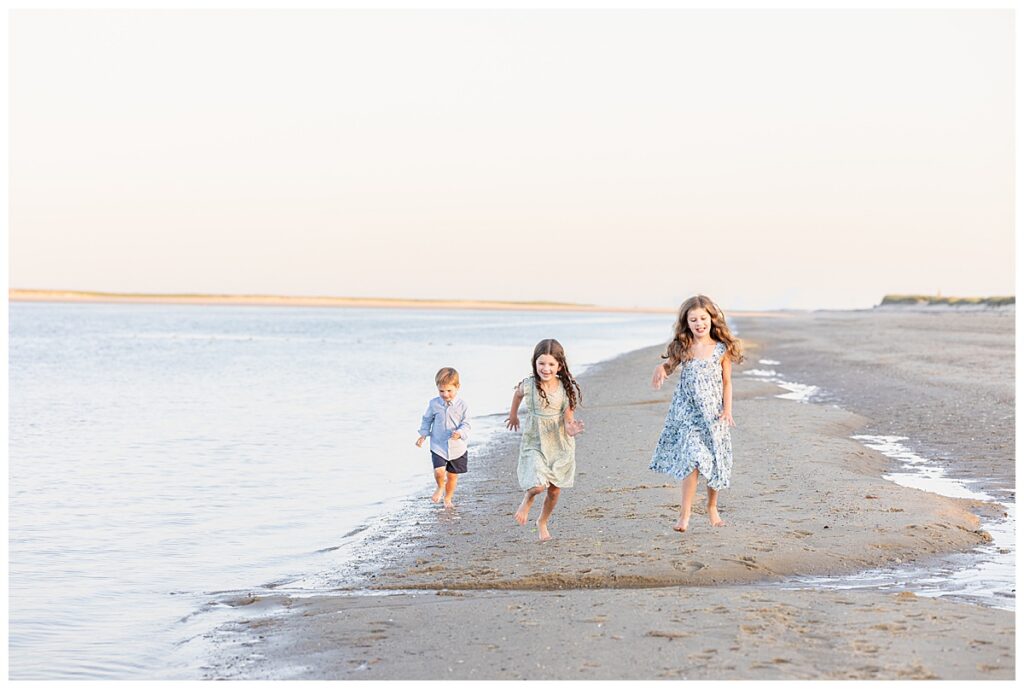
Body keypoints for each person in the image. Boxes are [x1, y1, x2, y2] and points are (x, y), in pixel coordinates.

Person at [650, 295, 743, 532]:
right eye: (693, 319)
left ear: (712, 320)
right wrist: (661, 368)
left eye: (703, 318)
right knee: (692, 458)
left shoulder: (721, 349)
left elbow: (727, 382)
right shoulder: (684, 347)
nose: (699, 323)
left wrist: (727, 410)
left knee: (714, 460)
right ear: (686, 322)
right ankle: (685, 515)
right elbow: (670, 367)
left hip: (713, 413)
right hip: (688, 412)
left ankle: (712, 507)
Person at [505, 339, 585, 541]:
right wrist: (513, 415)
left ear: (559, 366)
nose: (546, 368)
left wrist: (571, 428)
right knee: (538, 485)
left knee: (555, 491)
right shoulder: (529, 384)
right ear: (535, 362)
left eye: (551, 364)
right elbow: (517, 395)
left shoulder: (564, 390)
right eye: (542, 363)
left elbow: (568, 419)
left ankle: (542, 521)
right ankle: (528, 498)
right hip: (535, 440)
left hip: (559, 443)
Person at [417, 367, 470, 509]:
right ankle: (440, 487)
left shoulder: (462, 405)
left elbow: (466, 423)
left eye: (449, 391)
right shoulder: (434, 404)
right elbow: (427, 419)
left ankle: (448, 498)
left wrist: (460, 432)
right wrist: (423, 434)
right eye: (441, 391)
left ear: (457, 387)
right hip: (438, 445)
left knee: (452, 476)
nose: (445, 394)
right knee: (439, 471)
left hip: (457, 447)